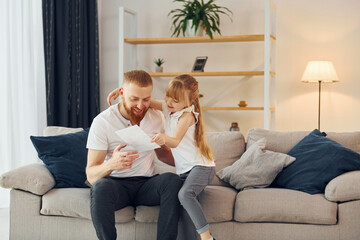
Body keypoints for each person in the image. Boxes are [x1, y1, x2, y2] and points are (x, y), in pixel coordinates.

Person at [108, 74, 216, 240]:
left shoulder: (187, 116)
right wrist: (122, 92)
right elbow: (145, 101)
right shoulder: (169, 108)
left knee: (184, 195)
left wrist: (164, 138)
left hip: (201, 168)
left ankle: (207, 237)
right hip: (187, 170)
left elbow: (175, 142)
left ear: (189, 102)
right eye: (168, 97)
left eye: (175, 100)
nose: (169, 102)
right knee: (186, 210)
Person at [86, 70, 183, 240]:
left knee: (172, 181)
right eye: (134, 99)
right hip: (116, 185)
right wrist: (111, 164)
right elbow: (91, 174)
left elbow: (163, 155)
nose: (140, 105)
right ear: (122, 93)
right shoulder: (103, 122)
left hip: (146, 184)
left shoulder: (156, 117)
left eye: (146, 99)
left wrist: (194, 162)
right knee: (100, 187)